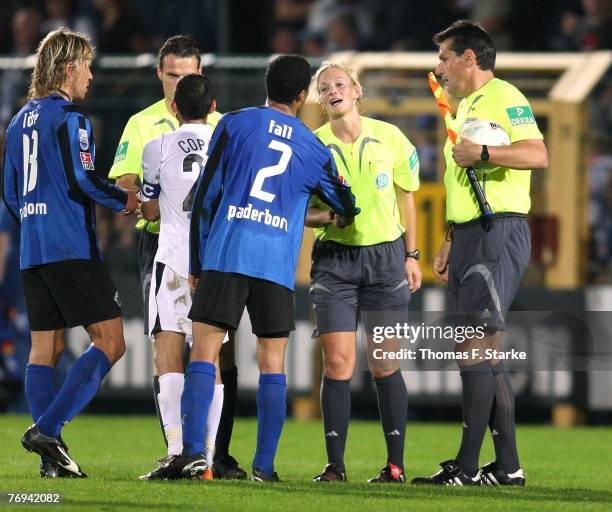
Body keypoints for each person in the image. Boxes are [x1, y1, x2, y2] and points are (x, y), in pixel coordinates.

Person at [152, 54, 359, 481]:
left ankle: (194, 454)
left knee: (205, 350)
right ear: (303, 96)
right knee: (272, 363)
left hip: (227, 252)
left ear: (266, 84)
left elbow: (206, 196)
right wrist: (324, 210)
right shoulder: (314, 148)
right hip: (275, 265)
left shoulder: (234, 123)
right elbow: (346, 204)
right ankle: (264, 466)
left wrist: (196, 262)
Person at [412, 20, 548, 486]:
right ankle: (507, 467)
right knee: (482, 352)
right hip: (471, 233)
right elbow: (462, 178)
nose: (440, 68)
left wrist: (486, 154)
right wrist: (451, 236)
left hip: (498, 231)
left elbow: (537, 154)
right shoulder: (466, 106)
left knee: (475, 346)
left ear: (469, 58)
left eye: (444, 58)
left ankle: (467, 468)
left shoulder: (505, 96)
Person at [1, 28, 138, 478]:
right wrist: (126, 199)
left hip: (34, 248)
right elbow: (83, 180)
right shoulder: (71, 117)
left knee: (46, 350)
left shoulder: (19, 119)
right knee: (112, 342)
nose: (92, 76)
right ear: (67, 68)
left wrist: (38, 217)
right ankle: (48, 429)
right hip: (70, 247)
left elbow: (8, 193)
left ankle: (51, 465)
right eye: (87, 66)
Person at [107, 35, 245, 479]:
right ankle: (200, 453)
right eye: (172, 75)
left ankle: (195, 453)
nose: (178, 82)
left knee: (177, 346)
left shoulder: (160, 142)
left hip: (172, 247)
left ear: (198, 76)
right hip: (206, 248)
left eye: (186, 76)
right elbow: (123, 179)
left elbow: (137, 195)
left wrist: (157, 189)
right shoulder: (152, 124)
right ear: (160, 74)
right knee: (206, 349)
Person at [305, 62, 421, 484]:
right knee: (337, 362)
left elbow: (407, 200)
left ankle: (395, 466)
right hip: (335, 263)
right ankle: (334, 466)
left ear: (356, 90)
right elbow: (302, 212)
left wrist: (413, 255)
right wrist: (326, 218)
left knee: (385, 364)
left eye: (339, 83)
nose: (332, 91)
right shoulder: (312, 146)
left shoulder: (390, 137)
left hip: (387, 259)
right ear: (321, 100)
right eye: (324, 87)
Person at [138, 74, 226, 481]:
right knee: (211, 359)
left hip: (172, 259)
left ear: (174, 107)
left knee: (167, 350)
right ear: (213, 107)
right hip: (216, 263)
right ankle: (205, 455)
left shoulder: (156, 146)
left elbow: (150, 209)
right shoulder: (228, 145)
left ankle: (176, 450)